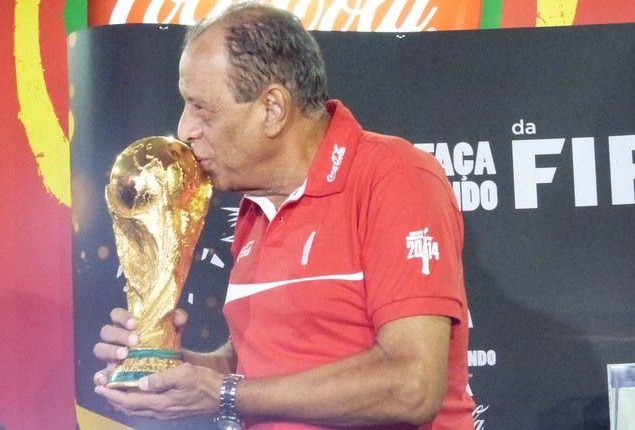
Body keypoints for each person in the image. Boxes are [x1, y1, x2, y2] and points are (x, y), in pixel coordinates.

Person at [93, 3, 475, 429]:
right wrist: (171, 366)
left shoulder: (394, 176)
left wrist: (221, 394)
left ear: (272, 109)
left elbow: (412, 385)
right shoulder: (254, 207)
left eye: (202, 108)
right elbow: (259, 366)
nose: (185, 129)